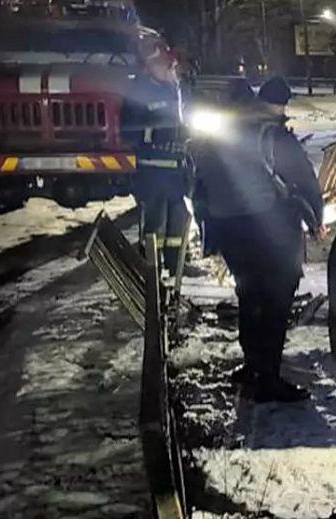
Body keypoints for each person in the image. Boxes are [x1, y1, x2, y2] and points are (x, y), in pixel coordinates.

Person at [201, 76, 324, 403]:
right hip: (269, 230)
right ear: (280, 105)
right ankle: (267, 380)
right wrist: (316, 219)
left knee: (249, 295)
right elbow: (305, 181)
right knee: (275, 302)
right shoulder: (274, 136)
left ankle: (252, 366)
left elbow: (201, 179)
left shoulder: (224, 132)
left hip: (230, 231)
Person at [122, 42, 190, 272]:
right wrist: (155, 133)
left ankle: (175, 264)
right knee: (155, 221)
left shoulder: (173, 89)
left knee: (178, 216)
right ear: (152, 66)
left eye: (172, 65)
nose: (171, 69)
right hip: (152, 168)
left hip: (174, 168)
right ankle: (150, 268)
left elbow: (180, 121)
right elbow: (128, 128)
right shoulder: (139, 91)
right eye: (167, 65)